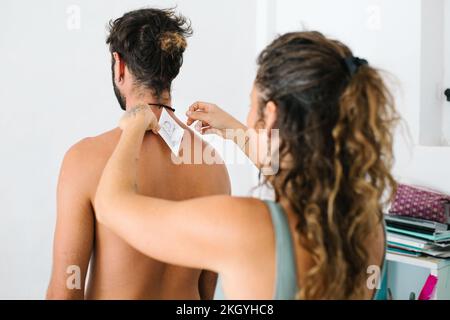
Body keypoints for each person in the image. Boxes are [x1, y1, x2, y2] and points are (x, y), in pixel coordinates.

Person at [94, 31, 399, 299]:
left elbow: (111, 205)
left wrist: (134, 126)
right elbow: (303, 174)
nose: (249, 117)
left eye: (251, 105)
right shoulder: (367, 220)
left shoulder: (247, 226)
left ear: (273, 116)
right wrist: (238, 132)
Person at [46, 8, 230, 300]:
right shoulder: (213, 166)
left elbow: (65, 291)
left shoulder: (84, 159)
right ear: (172, 69)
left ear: (119, 66)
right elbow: (205, 294)